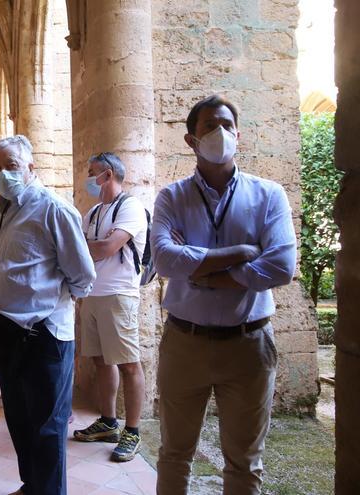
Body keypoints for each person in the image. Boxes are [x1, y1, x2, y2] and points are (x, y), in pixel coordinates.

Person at [151, 95, 296, 494]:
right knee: (175, 454)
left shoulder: (269, 196)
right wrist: (241, 254)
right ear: (190, 140)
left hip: (247, 343)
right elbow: (164, 260)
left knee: (244, 461)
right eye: (210, 126)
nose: (221, 134)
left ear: (239, 134)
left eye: (227, 126)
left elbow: (281, 267)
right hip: (185, 342)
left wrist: (204, 272)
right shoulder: (171, 197)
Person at [0, 136, 95, 495]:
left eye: (11, 166)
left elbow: (82, 275)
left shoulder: (52, 209)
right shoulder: (3, 209)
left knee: (47, 426)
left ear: (31, 167)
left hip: (42, 336)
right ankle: (32, 486)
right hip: (6, 335)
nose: (3, 174)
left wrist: (46, 307)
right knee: (19, 419)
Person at [72, 152, 148, 463]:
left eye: (93, 172)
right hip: (92, 294)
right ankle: (108, 422)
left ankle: (133, 431)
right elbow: (85, 249)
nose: (89, 178)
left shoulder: (129, 207)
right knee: (102, 361)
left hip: (119, 294)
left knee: (129, 363)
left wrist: (78, 246)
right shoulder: (93, 213)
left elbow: (106, 248)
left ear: (109, 174)